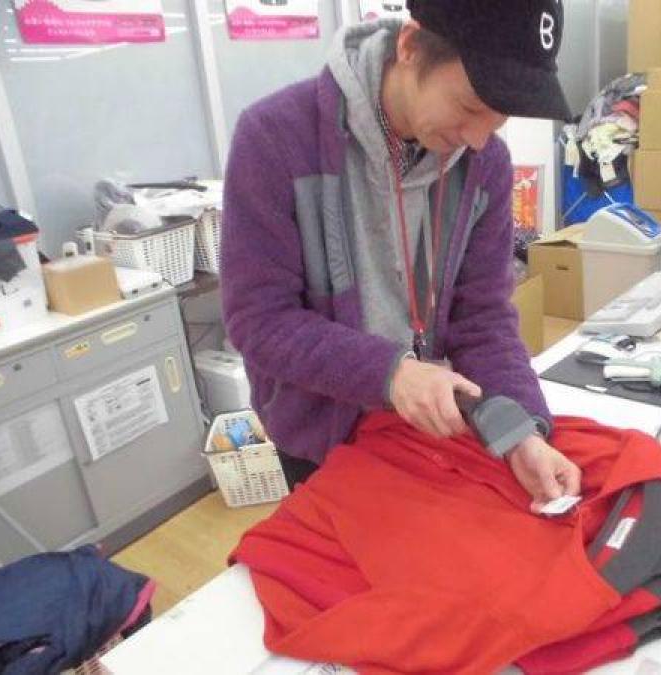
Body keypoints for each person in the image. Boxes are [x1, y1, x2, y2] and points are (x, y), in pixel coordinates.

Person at [221, 0, 582, 513]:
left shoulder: (484, 163)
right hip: (321, 437)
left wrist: (522, 430)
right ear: (410, 47)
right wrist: (391, 375)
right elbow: (259, 319)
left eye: (498, 121)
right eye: (469, 107)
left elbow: (482, 318)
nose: (478, 138)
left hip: (434, 429)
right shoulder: (275, 138)